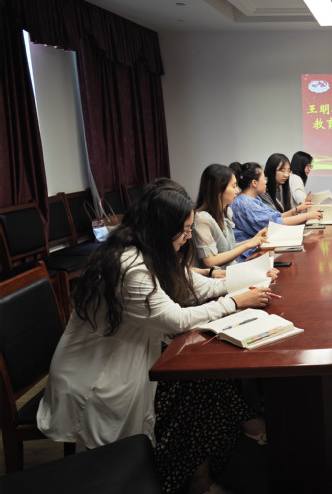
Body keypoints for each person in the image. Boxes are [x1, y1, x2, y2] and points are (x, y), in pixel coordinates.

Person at [36, 184, 274, 493]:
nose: (187, 237)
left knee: (202, 380)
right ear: (163, 229)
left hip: (134, 352)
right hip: (99, 374)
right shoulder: (129, 265)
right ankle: (194, 472)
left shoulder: (154, 251)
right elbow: (175, 319)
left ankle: (211, 466)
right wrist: (234, 302)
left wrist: (251, 281)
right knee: (194, 386)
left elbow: (197, 286)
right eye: (184, 231)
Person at [229, 162, 321, 260]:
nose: (266, 182)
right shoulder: (246, 204)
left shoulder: (253, 199)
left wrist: (297, 209)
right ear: (254, 183)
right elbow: (274, 224)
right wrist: (307, 216)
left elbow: (275, 216)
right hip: (249, 255)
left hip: (259, 248)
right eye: (264, 179)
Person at [194, 164, 273, 270]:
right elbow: (210, 261)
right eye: (233, 186)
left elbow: (227, 248)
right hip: (220, 276)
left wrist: (253, 241)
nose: (237, 191)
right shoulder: (202, 218)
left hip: (232, 269)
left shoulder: (224, 212)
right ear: (219, 188)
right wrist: (247, 245)